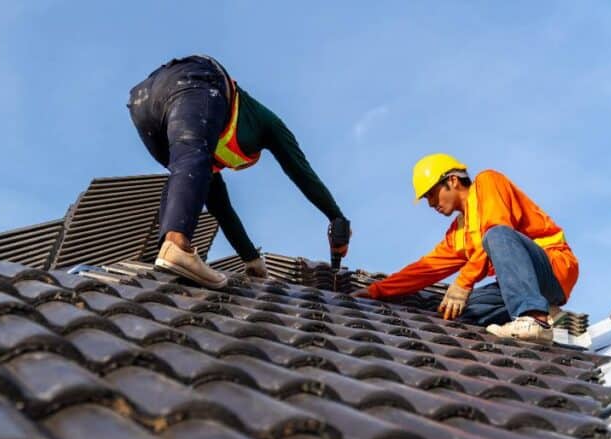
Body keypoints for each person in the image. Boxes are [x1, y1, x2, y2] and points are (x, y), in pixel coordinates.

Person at [127, 54, 350, 288]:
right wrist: (336, 217)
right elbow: (301, 172)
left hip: (143, 102)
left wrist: (251, 259)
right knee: (193, 162)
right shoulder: (267, 124)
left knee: (186, 177)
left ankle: (165, 254)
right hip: (196, 80)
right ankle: (176, 244)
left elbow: (222, 209)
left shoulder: (204, 152)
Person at [352, 153, 578, 343]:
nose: (430, 203)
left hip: (552, 268)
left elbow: (497, 228)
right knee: (459, 311)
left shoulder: (488, 182)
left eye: (431, 194)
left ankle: (535, 318)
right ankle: (545, 313)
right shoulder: (459, 233)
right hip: (519, 284)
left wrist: (463, 282)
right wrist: (375, 291)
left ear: (452, 180)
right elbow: (425, 268)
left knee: (496, 234)